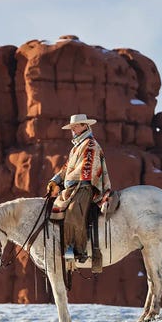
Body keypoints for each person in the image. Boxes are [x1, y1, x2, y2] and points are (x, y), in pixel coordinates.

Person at [46, 113, 111, 268]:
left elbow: (87, 169)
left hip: (86, 186)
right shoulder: (76, 147)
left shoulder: (90, 144)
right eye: (72, 127)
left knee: (74, 210)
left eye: (76, 126)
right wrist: (55, 181)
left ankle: (78, 250)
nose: (73, 129)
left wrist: (68, 181)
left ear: (85, 126)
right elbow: (66, 168)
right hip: (73, 186)